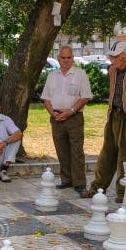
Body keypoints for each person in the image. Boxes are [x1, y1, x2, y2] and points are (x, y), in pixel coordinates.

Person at [83, 40, 126, 202]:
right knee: (106, 153)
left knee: (124, 154)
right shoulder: (112, 70)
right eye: (111, 57)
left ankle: (122, 191)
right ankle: (98, 187)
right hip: (113, 113)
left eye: (116, 57)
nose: (113, 60)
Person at [41, 46, 93, 193]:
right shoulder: (52, 76)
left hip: (74, 117)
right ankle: (67, 180)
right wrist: (52, 113)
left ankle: (79, 182)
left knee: (76, 150)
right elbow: (46, 98)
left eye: (68, 58)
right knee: (61, 150)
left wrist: (70, 111)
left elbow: (85, 96)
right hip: (56, 118)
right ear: (58, 59)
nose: (65, 61)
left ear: (72, 58)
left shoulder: (80, 74)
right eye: (63, 58)